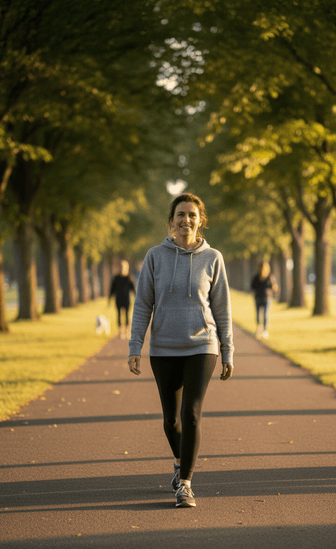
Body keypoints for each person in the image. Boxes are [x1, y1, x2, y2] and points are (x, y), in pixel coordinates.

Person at [128, 192, 234, 508]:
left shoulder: (213, 258)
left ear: (200, 221)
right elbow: (142, 304)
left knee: (191, 414)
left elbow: (223, 309)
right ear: (171, 221)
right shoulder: (154, 257)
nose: (186, 220)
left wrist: (227, 349)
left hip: (203, 345)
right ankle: (179, 461)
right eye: (180, 215)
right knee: (170, 421)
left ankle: (185, 484)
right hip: (163, 348)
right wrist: (135, 345)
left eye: (191, 215)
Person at [250, 259, 278, 339]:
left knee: (265, 314)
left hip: (267, 298)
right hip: (258, 297)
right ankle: (259, 329)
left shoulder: (270, 277)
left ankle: (265, 330)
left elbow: (275, 287)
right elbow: (252, 287)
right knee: (258, 315)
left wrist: (273, 287)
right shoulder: (256, 277)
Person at [109, 260, 136, 339]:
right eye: (121, 267)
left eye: (123, 267)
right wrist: (109, 299)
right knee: (119, 315)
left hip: (126, 299)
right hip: (118, 299)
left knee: (127, 315)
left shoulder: (129, 277)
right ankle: (121, 332)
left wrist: (136, 297)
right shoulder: (116, 278)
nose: (122, 268)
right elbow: (112, 289)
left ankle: (127, 331)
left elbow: (133, 289)